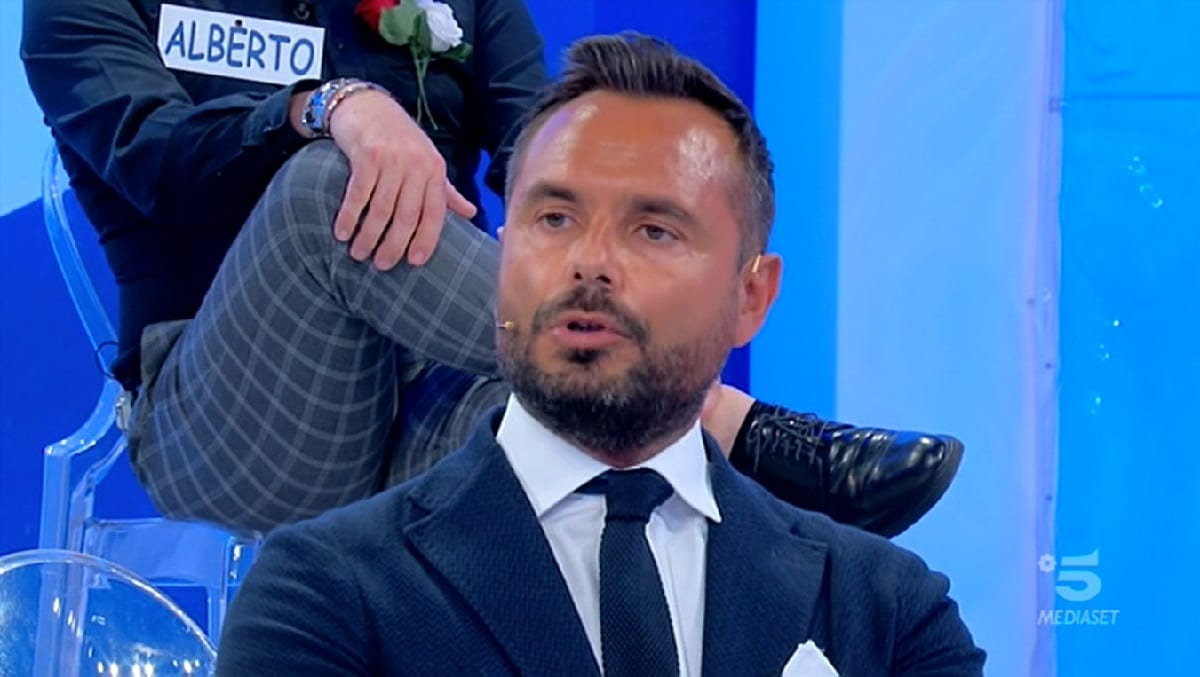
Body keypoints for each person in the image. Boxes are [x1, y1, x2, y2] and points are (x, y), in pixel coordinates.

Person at [21, 0, 961, 538]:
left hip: (450, 383)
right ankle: (722, 415)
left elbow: (540, 142)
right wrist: (330, 107)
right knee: (332, 183)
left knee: (596, 416)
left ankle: (742, 504)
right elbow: (154, 159)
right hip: (238, 422)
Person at [215, 33, 985, 676]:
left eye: (654, 230)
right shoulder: (323, 591)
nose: (589, 262)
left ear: (752, 296)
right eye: (554, 218)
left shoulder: (888, 611)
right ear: (502, 256)